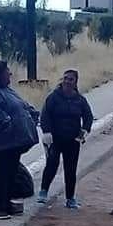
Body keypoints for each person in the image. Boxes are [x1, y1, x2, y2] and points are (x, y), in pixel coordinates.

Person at [0, 60, 40, 220]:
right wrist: (8, 123)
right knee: (3, 173)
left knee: (11, 173)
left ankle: (7, 203)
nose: (10, 75)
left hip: (14, 140)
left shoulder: (4, 89)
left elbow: (20, 104)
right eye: (7, 72)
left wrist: (31, 113)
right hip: (2, 140)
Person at [38, 69, 94, 209]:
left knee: (70, 169)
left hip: (73, 139)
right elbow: (45, 115)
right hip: (55, 138)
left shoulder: (80, 100)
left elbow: (88, 117)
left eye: (71, 79)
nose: (67, 81)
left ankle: (70, 198)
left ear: (75, 82)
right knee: (52, 164)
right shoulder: (53, 97)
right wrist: (46, 132)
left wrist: (85, 131)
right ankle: (43, 191)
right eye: (65, 78)